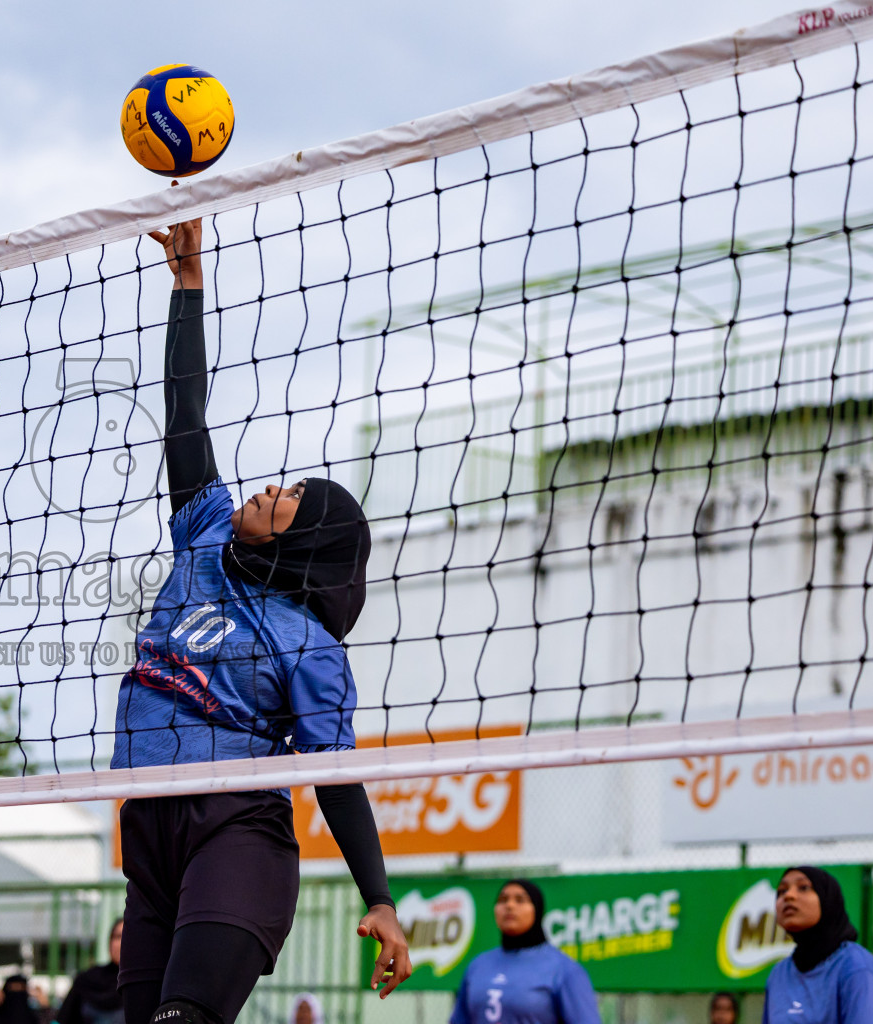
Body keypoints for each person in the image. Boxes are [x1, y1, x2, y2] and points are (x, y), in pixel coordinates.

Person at [110, 218, 410, 1024]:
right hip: (148, 833)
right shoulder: (205, 534)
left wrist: (378, 899)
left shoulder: (306, 641)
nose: (270, 489)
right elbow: (185, 416)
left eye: (292, 499)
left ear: (305, 540)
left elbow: (336, 775)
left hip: (236, 833)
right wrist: (187, 285)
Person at [450, 880, 600, 1024]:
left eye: (520, 900)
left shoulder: (564, 969)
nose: (509, 905)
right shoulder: (478, 965)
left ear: (537, 908)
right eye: (502, 900)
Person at [762, 866, 873, 1022]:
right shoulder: (778, 975)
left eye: (803, 887)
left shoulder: (855, 966)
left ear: (828, 898)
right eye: (781, 891)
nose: (788, 896)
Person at [55, 919, 123, 1024]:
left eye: (128, 936)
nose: (121, 943)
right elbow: (63, 1018)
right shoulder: (87, 980)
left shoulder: (143, 985)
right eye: (117, 936)